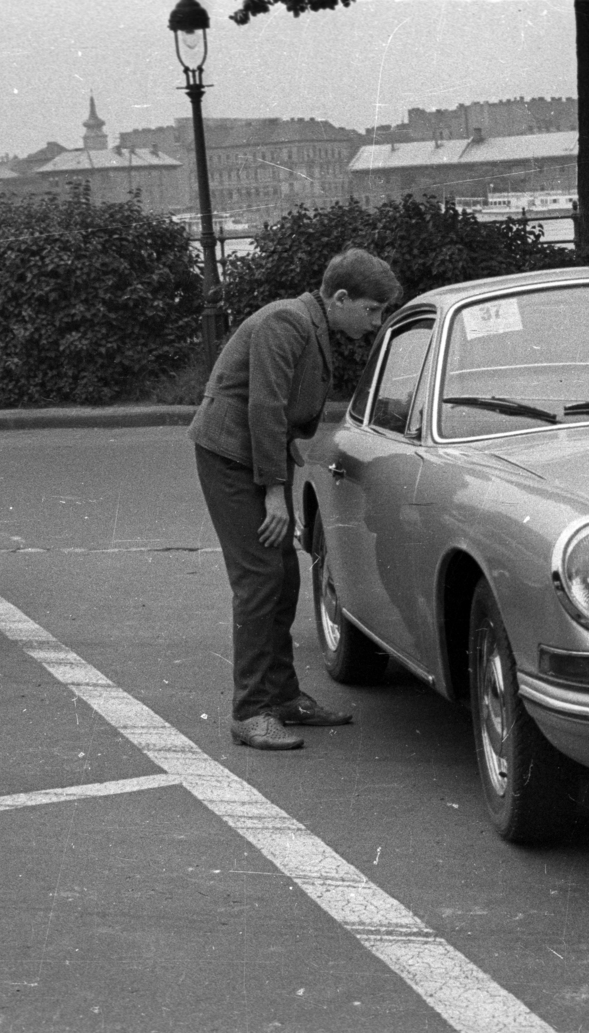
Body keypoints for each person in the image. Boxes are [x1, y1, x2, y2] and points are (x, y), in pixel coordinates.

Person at [189, 248, 400, 750]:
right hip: (231, 457)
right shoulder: (287, 321)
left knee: (280, 576)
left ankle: (281, 697)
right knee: (260, 580)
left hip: (254, 456)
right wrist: (275, 495)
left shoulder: (311, 324)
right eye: (371, 310)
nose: (375, 322)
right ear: (341, 298)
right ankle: (250, 711)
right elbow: (264, 408)